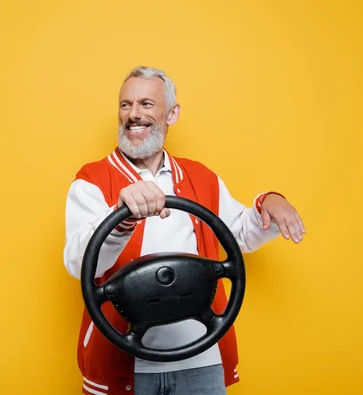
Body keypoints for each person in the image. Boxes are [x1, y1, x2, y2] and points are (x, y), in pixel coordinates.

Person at [63, 66, 305, 395]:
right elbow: (79, 262)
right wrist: (120, 219)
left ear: (172, 113)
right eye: (125, 105)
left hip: (201, 358)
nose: (133, 114)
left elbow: (239, 235)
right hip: (125, 360)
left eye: (146, 104)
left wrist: (269, 205)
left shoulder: (200, 176)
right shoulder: (91, 180)